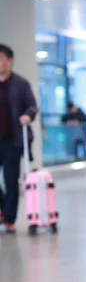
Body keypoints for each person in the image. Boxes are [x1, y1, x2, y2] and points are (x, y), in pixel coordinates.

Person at [0, 43, 37, 233]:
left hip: (12, 140)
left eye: (1, 58)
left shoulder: (21, 84)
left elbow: (32, 106)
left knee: (10, 179)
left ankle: (9, 219)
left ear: (10, 61)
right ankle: (3, 209)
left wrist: (28, 116)